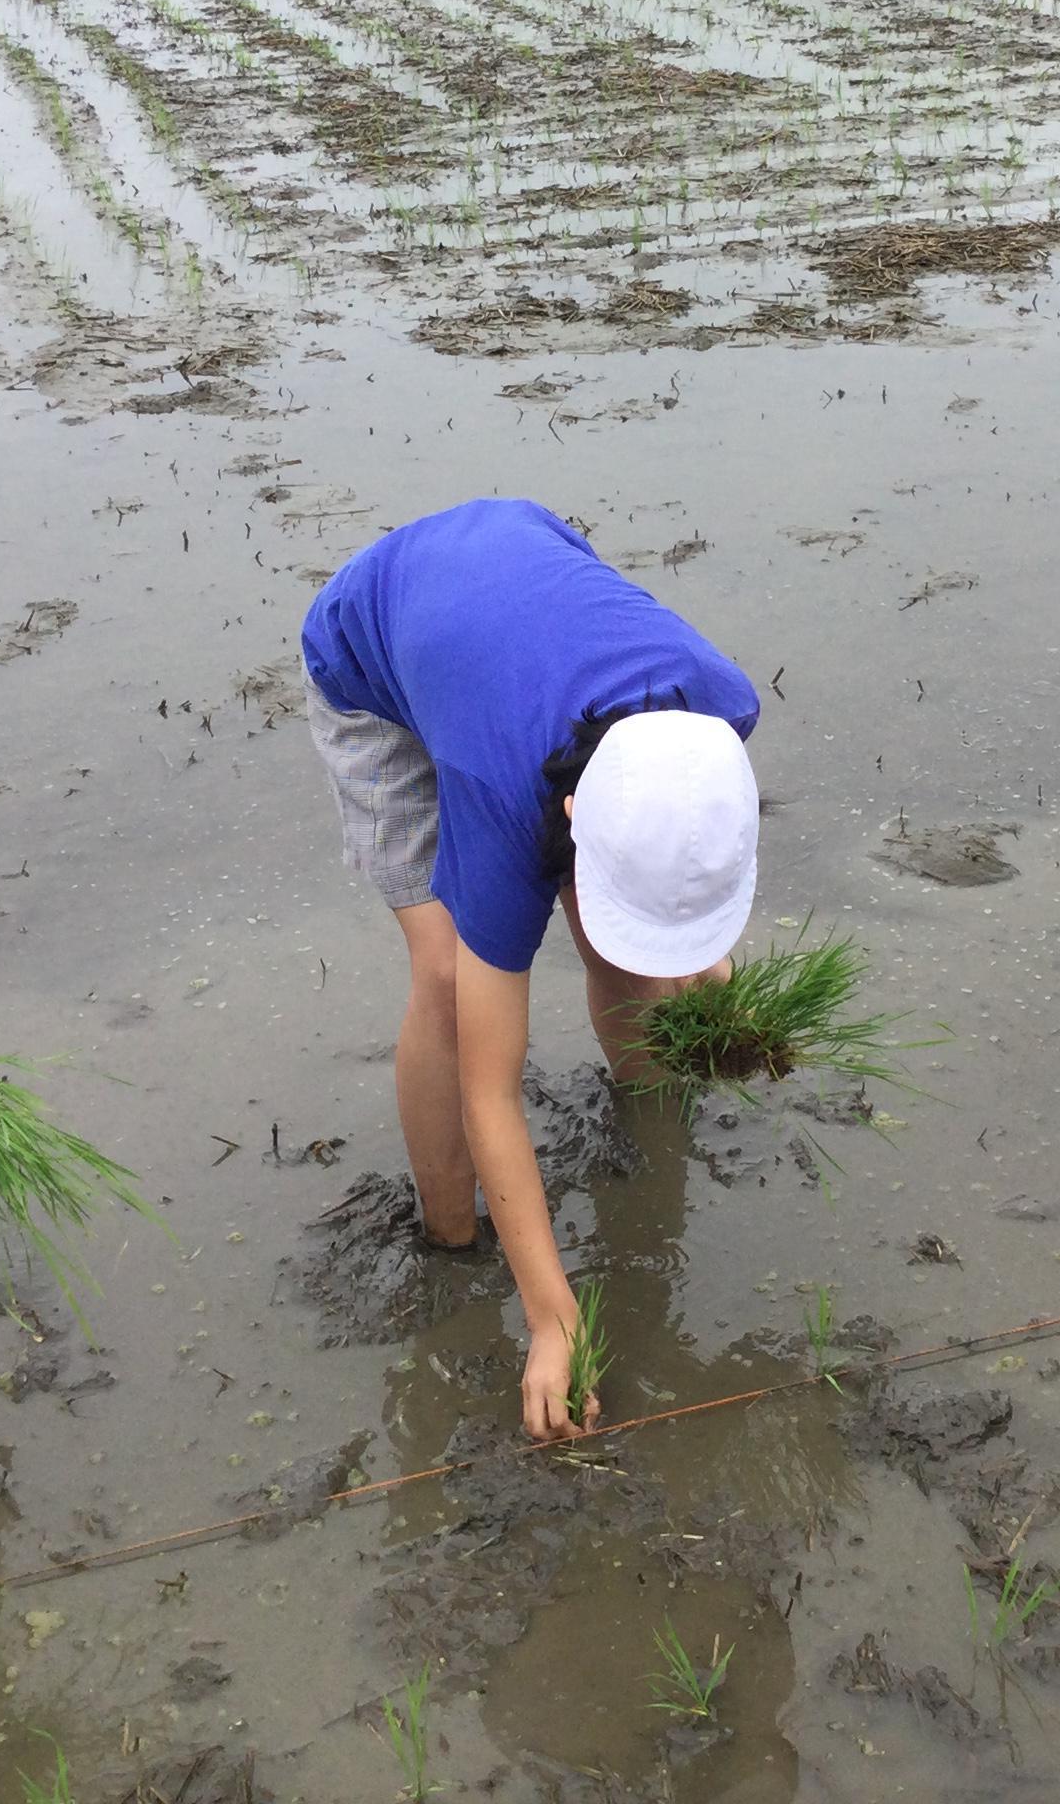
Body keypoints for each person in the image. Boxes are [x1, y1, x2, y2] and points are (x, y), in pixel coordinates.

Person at [300, 497, 760, 1441]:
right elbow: (492, 1091)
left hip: (518, 569)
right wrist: (552, 1319)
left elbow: (677, 863)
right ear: (574, 822)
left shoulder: (720, 706)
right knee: (446, 979)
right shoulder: (504, 806)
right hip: (373, 654)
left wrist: (716, 984)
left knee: (615, 932)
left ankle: (651, 1122)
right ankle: (449, 1238)